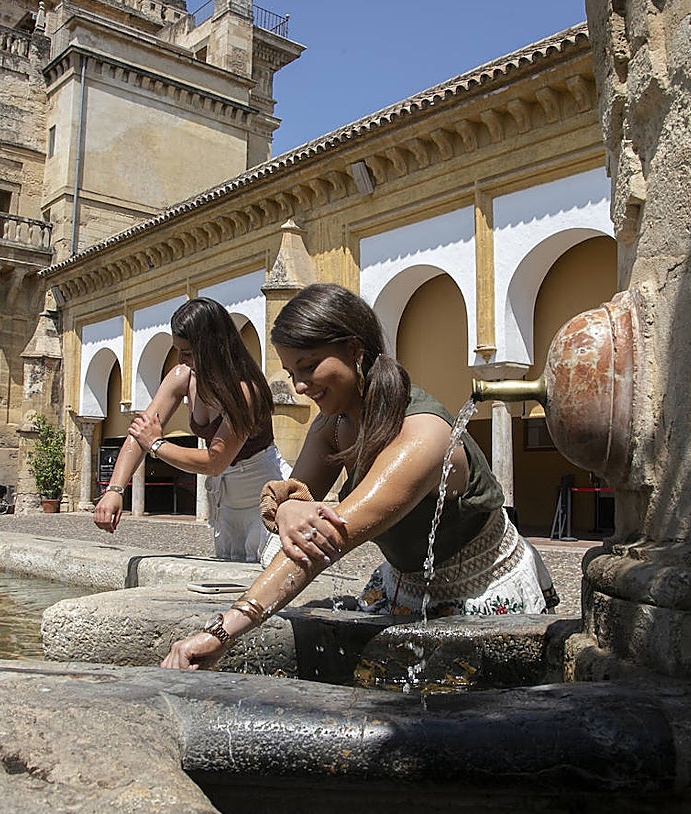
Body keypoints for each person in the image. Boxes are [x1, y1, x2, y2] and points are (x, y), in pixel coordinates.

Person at [162, 283, 556, 670]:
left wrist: (221, 632)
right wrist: (285, 510)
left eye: (308, 366)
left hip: (483, 589)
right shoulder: (333, 425)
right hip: (404, 586)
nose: (299, 386)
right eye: (290, 371)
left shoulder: (423, 436)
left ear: (354, 349)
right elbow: (292, 501)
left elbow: (325, 539)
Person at [94, 296, 290, 561]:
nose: (181, 359)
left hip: (263, 490)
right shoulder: (182, 376)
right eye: (178, 350)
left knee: (268, 569)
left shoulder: (246, 391)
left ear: (213, 347)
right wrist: (114, 490)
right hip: (226, 498)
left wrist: (157, 444)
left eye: (188, 352)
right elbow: (140, 431)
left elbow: (214, 462)